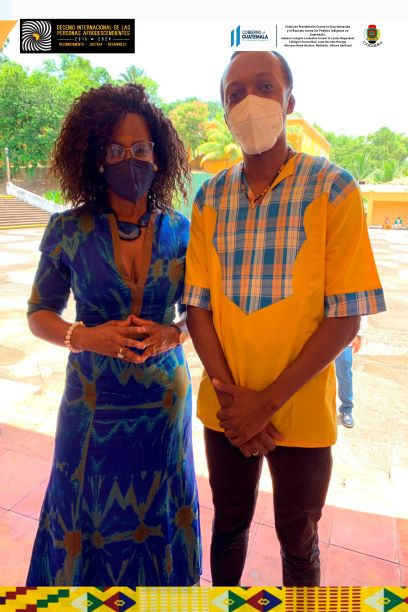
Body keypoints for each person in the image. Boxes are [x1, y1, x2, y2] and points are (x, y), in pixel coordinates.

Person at [183, 51, 386, 587]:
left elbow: (346, 316)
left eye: (265, 86)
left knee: (298, 540)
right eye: (235, 94)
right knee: (229, 525)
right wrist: (236, 403)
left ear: (289, 101)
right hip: (226, 409)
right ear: (225, 112)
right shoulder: (209, 198)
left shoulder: (332, 187)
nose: (250, 101)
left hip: (301, 409)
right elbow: (198, 307)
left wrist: (266, 403)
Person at [26, 83, 201, 586]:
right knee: (84, 510)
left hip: (162, 407)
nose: (131, 160)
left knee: (161, 509)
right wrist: (83, 337)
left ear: (158, 156)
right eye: (116, 150)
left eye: (141, 149)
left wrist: (173, 335)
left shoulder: (182, 231)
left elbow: (198, 313)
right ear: (96, 158)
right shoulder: (67, 230)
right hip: (92, 405)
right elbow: (39, 312)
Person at [335, 317, 367, 428]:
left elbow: (362, 312)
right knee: (318, 377)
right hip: (321, 338)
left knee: (345, 377)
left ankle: (346, 410)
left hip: (345, 339)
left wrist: (358, 335)